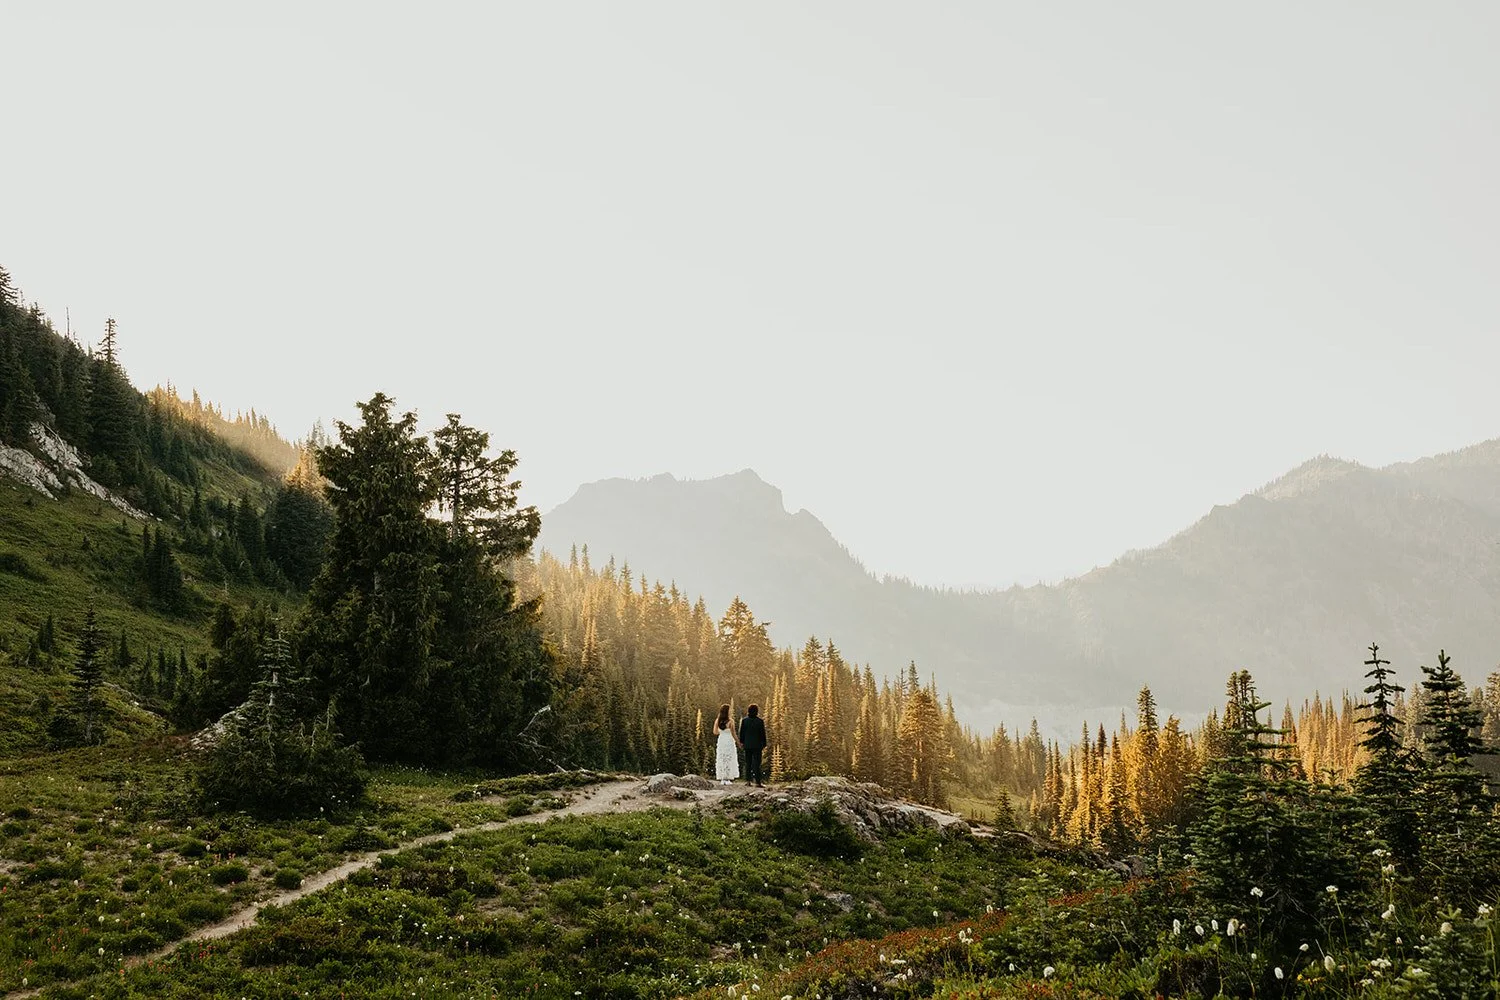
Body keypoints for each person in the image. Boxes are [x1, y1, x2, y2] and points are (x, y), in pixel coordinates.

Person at [739, 704, 767, 786]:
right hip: (757, 745)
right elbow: (762, 734)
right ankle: (758, 782)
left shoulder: (745, 721)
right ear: (756, 711)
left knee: (748, 763)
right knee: (757, 764)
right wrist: (764, 744)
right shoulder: (760, 721)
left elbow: (742, 733)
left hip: (747, 745)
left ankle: (748, 781)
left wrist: (742, 742)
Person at [713, 704, 741, 785]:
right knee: (729, 758)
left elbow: (715, 732)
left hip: (721, 740)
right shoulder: (730, 721)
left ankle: (722, 778)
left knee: (722, 758)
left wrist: (722, 732)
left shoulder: (717, 720)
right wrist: (738, 742)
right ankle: (728, 778)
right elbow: (733, 733)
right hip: (729, 741)